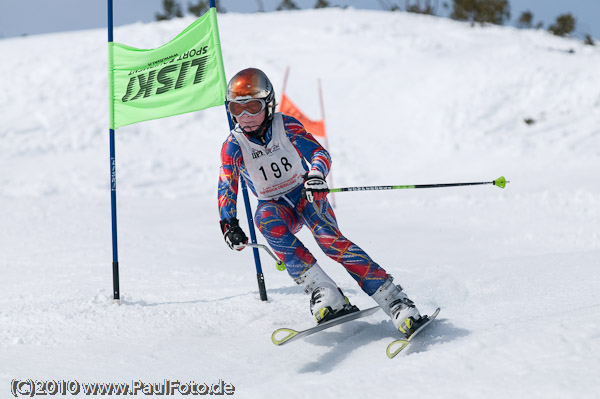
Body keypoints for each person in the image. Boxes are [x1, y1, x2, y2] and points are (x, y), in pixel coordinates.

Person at [218, 67, 423, 337]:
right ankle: (323, 291)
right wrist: (229, 223)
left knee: (329, 240)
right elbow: (226, 185)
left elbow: (318, 153)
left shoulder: (285, 125)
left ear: (268, 104)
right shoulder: (233, 145)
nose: (245, 117)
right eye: (236, 108)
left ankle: (395, 300)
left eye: (253, 107)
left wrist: (315, 175)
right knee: (264, 219)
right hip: (275, 206)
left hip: (305, 195)